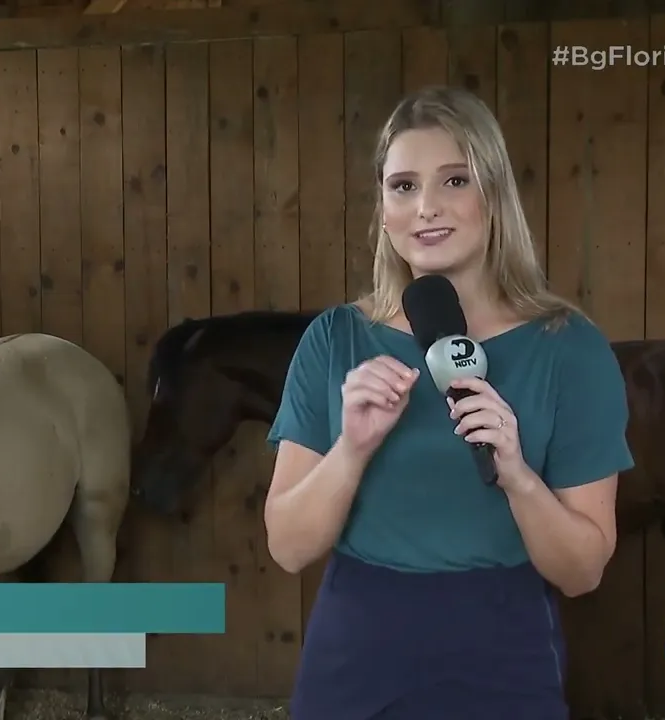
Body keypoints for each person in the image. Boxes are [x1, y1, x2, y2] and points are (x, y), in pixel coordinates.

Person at [262, 85, 635, 719]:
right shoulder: (335, 339)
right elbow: (289, 547)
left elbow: (582, 572)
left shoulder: (569, 349)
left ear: (495, 196)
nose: (426, 207)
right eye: (403, 186)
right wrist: (352, 450)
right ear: (384, 212)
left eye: (454, 180)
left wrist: (517, 476)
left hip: (503, 649)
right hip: (355, 651)